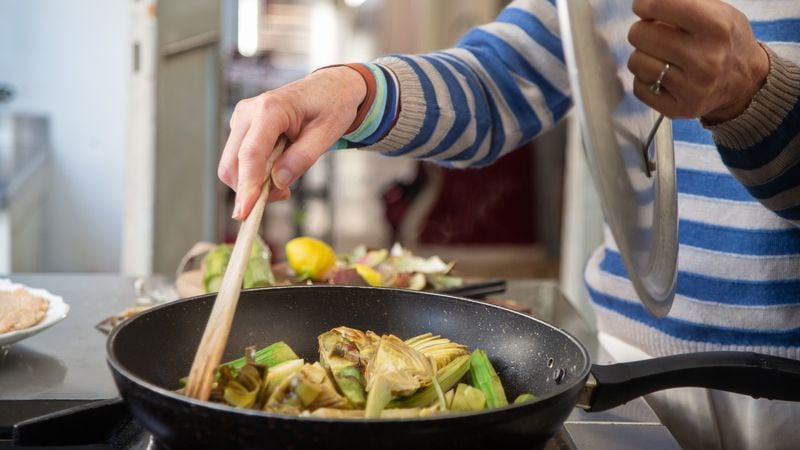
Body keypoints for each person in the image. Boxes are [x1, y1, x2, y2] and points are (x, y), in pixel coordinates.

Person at [217, 0, 800, 448]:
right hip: (626, 365)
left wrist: (753, 92)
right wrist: (354, 89)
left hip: (785, 391)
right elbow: (500, 81)